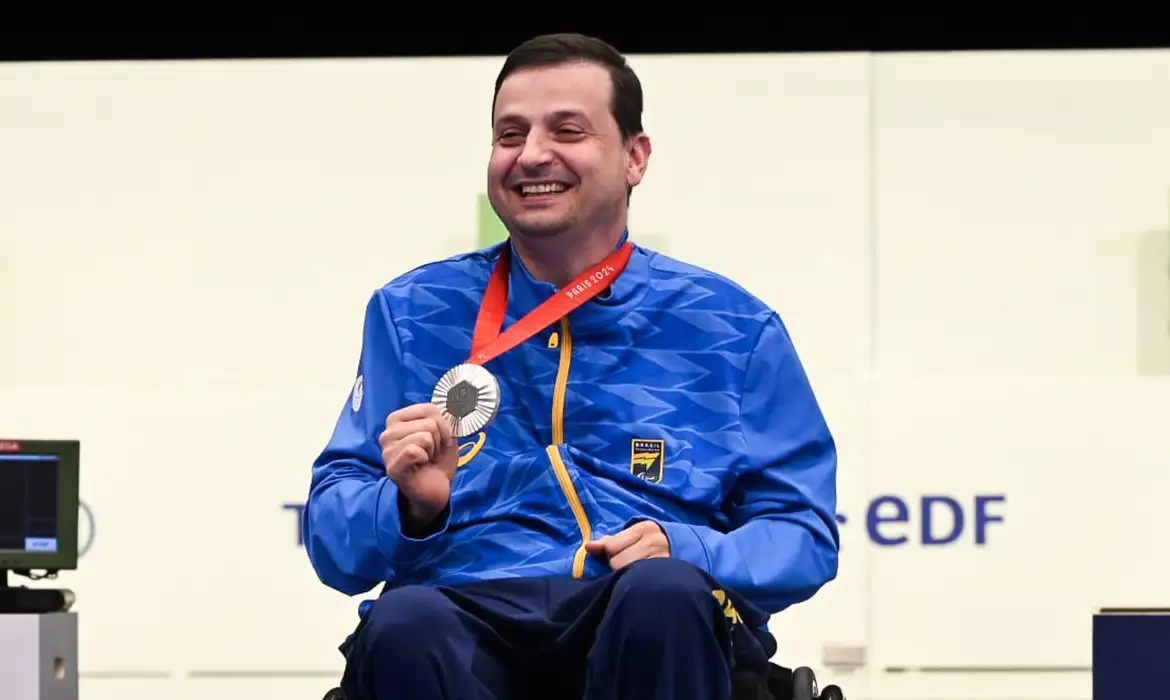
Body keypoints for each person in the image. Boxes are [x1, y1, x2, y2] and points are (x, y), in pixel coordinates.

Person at [303, 33, 840, 700]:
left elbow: (805, 536)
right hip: (464, 608)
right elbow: (332, 537)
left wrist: (693, 549)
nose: (531, 155)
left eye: (567, 130)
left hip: (644, 612)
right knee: (404, 620)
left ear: (635, 157)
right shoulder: (411, 312)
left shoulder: (732, 326)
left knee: (664, 595)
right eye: (509, 134)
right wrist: (411, 509)